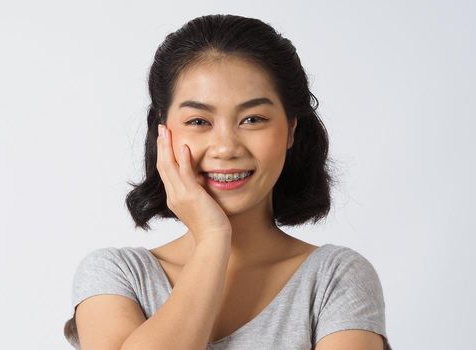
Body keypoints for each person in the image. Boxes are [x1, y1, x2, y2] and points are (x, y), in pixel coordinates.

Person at [63, 14, 391, 350]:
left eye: (253, 119)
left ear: (292, 128)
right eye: (199, 121)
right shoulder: (116, 275)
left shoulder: (335, 279)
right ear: (163, 132)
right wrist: (213, 239)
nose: (226, 148)